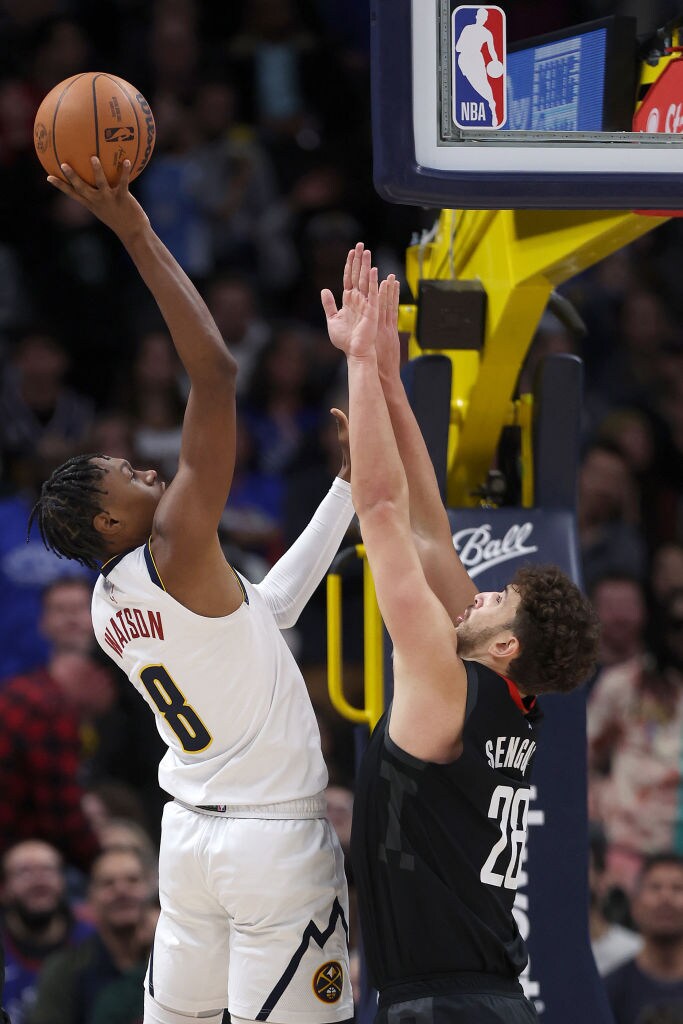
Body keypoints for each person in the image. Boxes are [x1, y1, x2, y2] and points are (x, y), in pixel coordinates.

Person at [28, 158, 354, 1024]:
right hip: (270, 841)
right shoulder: (174, 545)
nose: (147, 469)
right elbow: (214, 372)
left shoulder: (111, 604)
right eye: (127, 475)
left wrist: (344, 491)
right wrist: (133, 227)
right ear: (108, 521)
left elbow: (269, 612)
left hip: (191, 840)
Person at [321, 244, 600, 1023]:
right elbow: (431, 534)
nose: (482, 593)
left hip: (445, 1004)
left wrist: (356, 362)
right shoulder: (509, 701)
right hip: (483, 998)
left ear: (506, 646)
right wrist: (388, 377)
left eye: (499, 600)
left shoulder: (445, 682)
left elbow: (382, 512)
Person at [27, 846, 156, 1024]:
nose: (121, 890)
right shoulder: (64, 971)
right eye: (108, 883)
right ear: (90, 896)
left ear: (150, 889)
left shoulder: (172, 962)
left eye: (133, 880)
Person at [1, 841, 94, 1024]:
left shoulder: (92, 941)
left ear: (64, 880)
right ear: (4, 888)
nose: (38, 881)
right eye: (24, 872)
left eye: (48, 870)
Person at [604, 854, 683, 1024]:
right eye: (655, 888)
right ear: (635, 906)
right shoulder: (608, 992)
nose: (666, 897)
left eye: (678, 888)